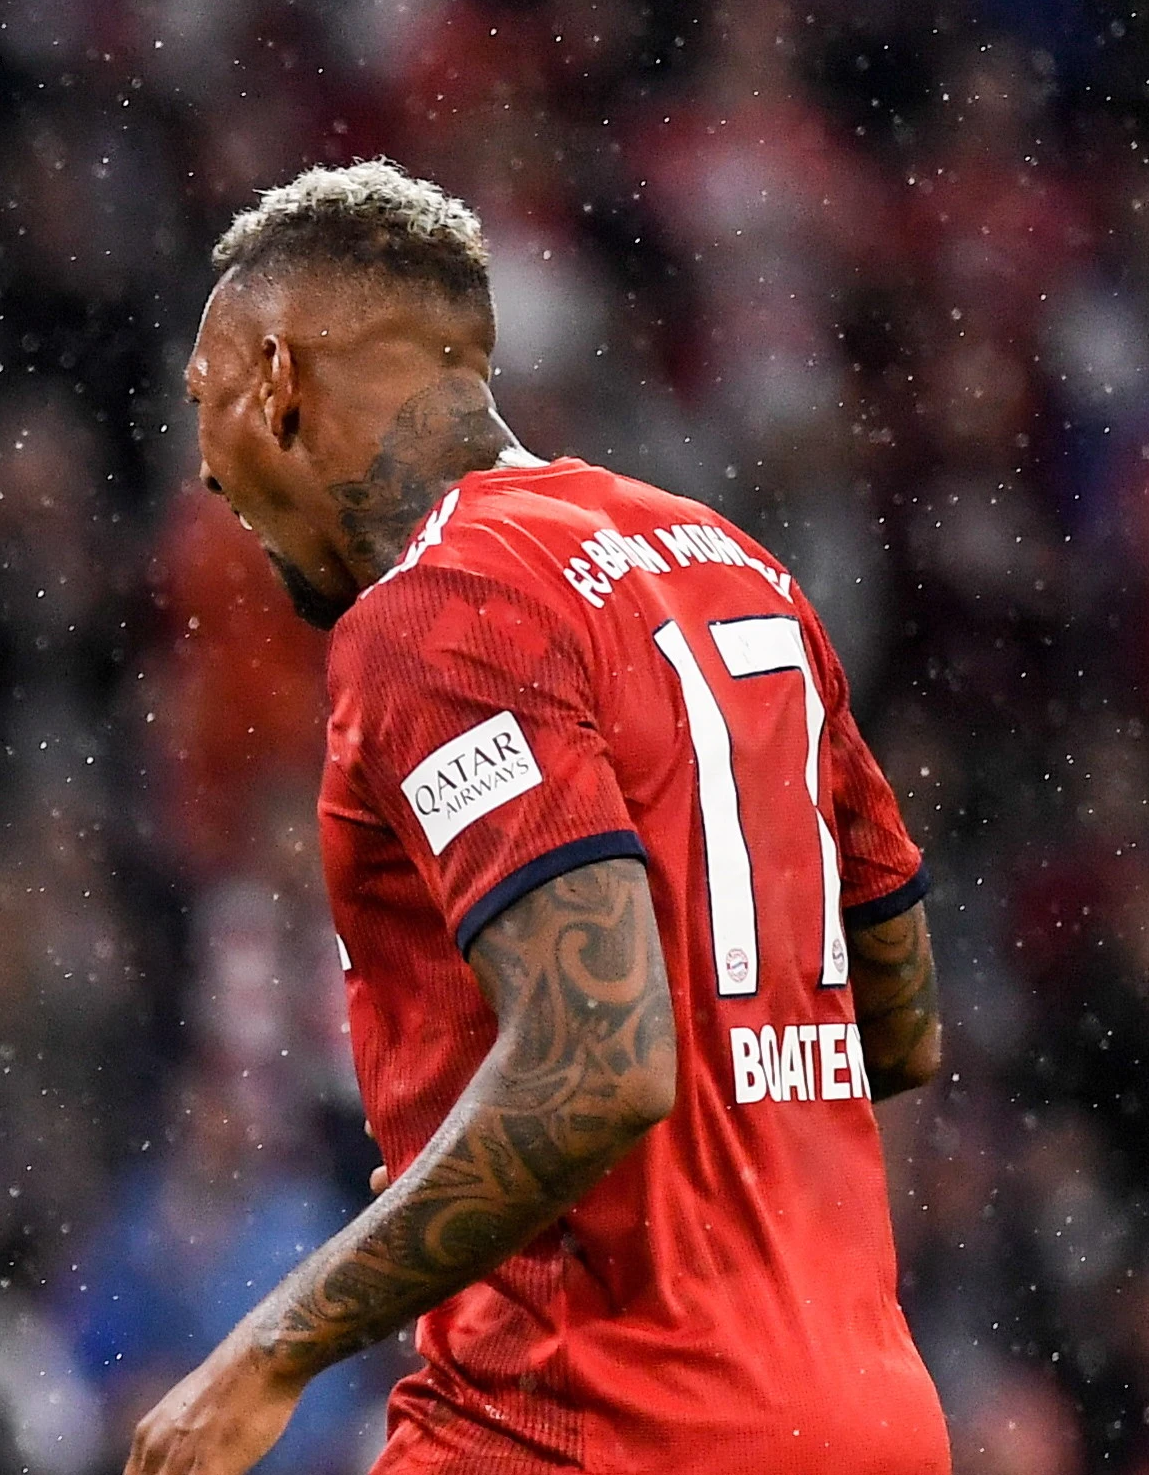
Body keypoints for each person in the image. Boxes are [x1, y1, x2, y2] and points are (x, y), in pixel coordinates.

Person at [128, 160, 948, 1474]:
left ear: (277, 379)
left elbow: (597, 1062)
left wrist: (269, 1348)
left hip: (587, 1424)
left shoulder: (439, 610)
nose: (208, 475)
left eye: (202, 403)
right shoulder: (730, 565)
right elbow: (897, 1025)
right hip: (861, 1415)